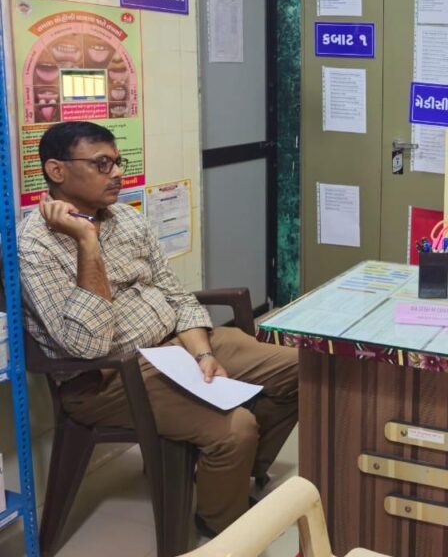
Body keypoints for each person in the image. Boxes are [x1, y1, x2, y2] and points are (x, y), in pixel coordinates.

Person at [18, 121, 299, 537]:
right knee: (235, 429)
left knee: (302, 369)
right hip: (110, 377)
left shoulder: (127, 220)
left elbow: (176, 294)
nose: (117, 174)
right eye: (102, 164)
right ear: (57, 170)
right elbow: (88, 345)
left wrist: (203, 353)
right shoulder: (34, 245)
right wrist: (86, 242)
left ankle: (230, 474)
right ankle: (222, 527)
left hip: (176, 346)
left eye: (118, 162)